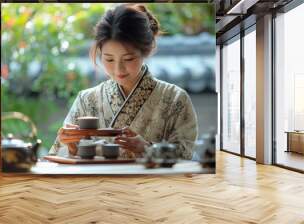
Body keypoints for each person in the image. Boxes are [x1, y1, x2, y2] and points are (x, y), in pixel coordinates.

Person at [49, 3, 198, 159]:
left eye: (129, 58)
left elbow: (186, 156)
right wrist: (71, 146)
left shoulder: (175, 99)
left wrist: (147, 148)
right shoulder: (86, 100)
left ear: (146, 50)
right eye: (109, 59)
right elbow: (57, 155)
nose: (118, 69)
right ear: (100, 53)